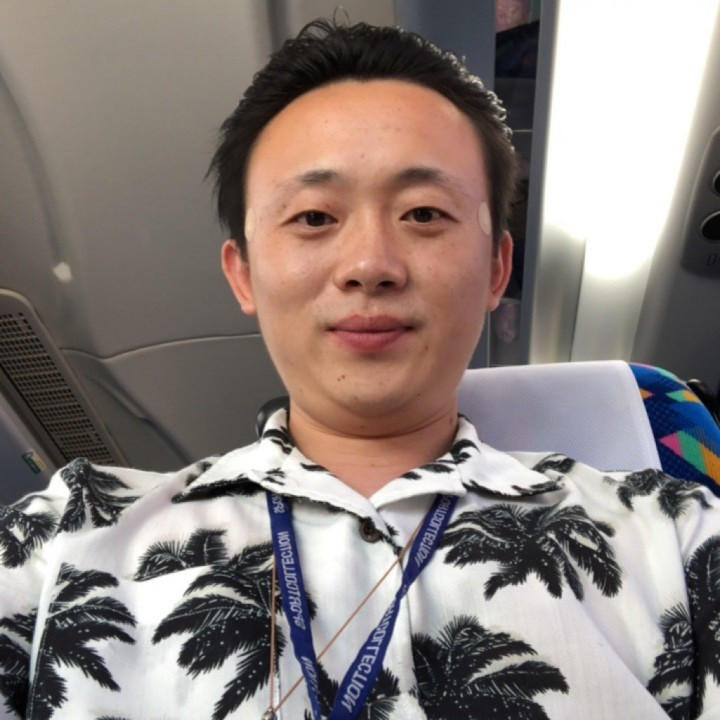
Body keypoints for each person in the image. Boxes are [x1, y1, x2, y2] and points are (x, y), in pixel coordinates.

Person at [1, 19, 718, 720]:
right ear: (243, 274)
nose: (371, 264)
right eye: (315, 217)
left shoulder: (676, 536)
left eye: (425, 213)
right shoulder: (63, 538)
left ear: (497, 268)